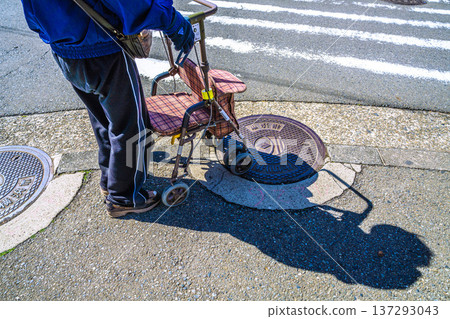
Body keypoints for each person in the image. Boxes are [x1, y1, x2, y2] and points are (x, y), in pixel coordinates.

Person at [20, 0, 194, 217]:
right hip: (103, 47)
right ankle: (124, 197)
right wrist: (172, 21)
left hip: (62, 46)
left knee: (103, 119)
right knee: (132, 126)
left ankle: (110, 180)